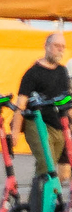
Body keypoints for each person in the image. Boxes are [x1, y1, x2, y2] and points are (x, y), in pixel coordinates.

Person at [21, 30, 72, 174]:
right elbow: (21, 103)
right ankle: (41, 194)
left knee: (50, 171)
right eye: (57, 45)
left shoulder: (62, 71)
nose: (60, 49)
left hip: (58, 124)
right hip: (37, 122)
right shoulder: (33, 73)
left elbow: (67, 101)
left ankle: (43, 195)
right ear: (47, 46)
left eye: (63, 46)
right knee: (46, 163)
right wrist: (13, 132)